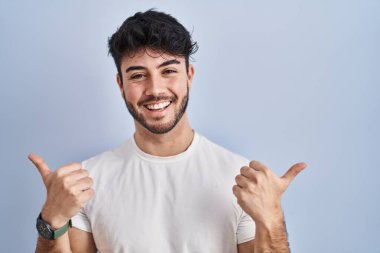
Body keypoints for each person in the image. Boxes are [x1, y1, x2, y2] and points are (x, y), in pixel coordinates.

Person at [29, 9, 307, 253]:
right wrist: (51, 219)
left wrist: (271, 219)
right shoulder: (88, 182)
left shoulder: (240, 179)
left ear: (189, 76)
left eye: (168, 71)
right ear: (120, 84)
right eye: (138, 75)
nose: (155, 90)